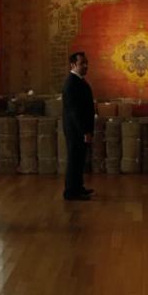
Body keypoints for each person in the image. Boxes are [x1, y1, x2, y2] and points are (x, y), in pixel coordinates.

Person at [61, 52, 95, 201]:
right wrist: (85, 131)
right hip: (76, 130)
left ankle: (78, 187)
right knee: (74, 160)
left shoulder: (79, 80)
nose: (86, 66)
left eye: (86, 63)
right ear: (73, 65)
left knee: (80, 160)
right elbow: (74, 111)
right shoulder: (71, 83)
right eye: (82, 63)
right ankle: (71, 192)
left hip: (81, 129)